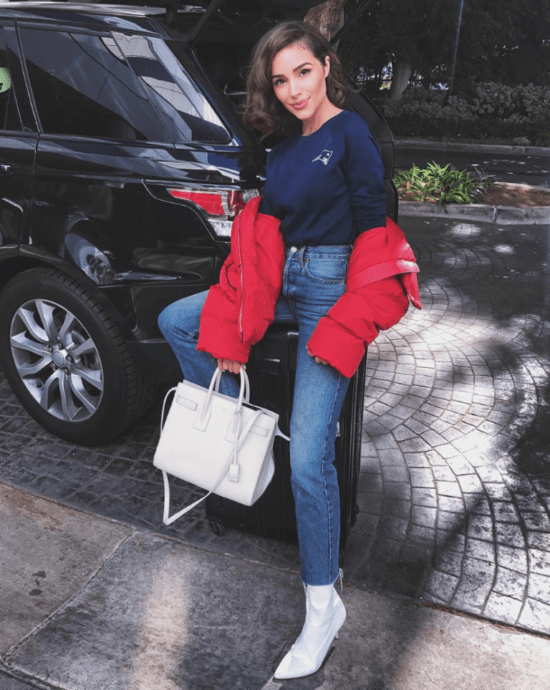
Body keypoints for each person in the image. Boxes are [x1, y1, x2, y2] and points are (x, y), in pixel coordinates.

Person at [158, 20, 421, 680]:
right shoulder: (282, 146)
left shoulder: (350, 134)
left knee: (309, 459)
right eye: (280, 80)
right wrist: (234, 325)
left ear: (327, 66)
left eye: (303, 71)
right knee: (179, 321)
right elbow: (265, 237)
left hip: (332, 285)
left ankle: (323, 606)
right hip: (281, 281)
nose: (294, 89)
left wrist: (348, 321)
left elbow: (377, 239)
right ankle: (245, 424)